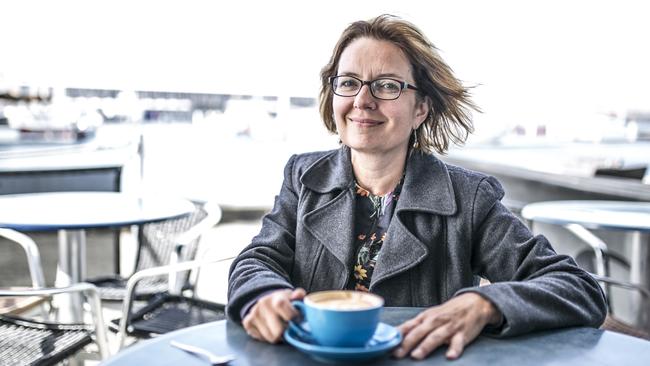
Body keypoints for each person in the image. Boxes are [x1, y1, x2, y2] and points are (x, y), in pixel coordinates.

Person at [227, 14, 606, 360]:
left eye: (387, 86)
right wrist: (263, 296)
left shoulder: (469, 198)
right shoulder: (303, 176)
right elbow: (256, 260)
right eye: (349, 83)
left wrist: (484, 303)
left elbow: (579, 289)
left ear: (420, 109)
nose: (362, 100)